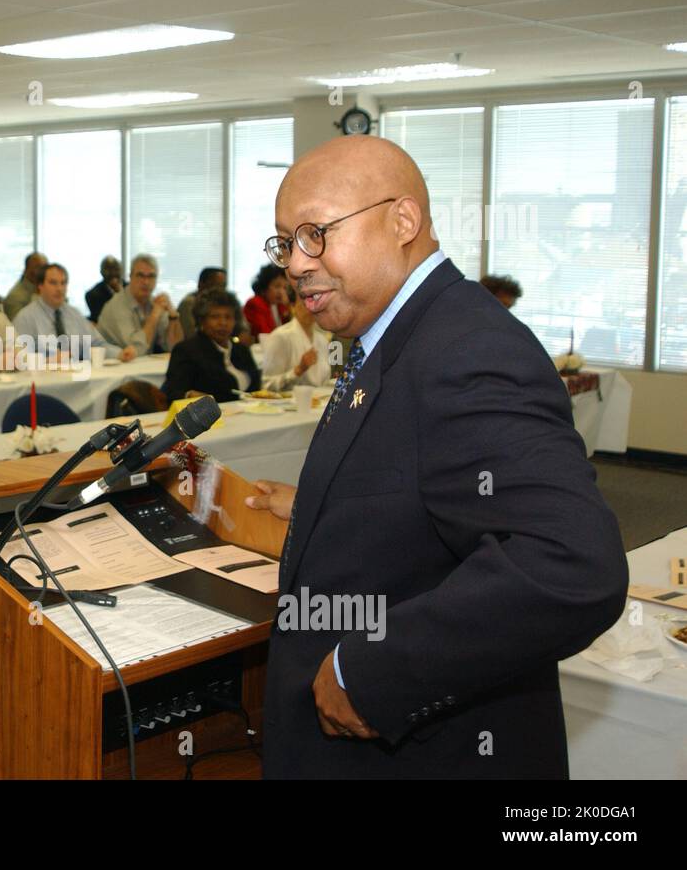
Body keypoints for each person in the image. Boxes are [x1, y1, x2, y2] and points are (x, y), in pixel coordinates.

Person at [243, 135, 626, 779]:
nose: (296, 263)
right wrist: (320, 511)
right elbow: (426, 492)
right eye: (285, 242)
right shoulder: (400, 333)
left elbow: (569, 566)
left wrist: (368, 672)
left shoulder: (467, 348)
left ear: (403, 222)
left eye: (316, 233)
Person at [11, 262, 134, 363]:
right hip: (42, 382)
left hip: (77, 377)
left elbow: (97, 344)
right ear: (40, 286)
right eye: (53, 283)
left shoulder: (74, 314)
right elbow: (18, 358)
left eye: (63, 283)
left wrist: (119, 353)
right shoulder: (25, 318)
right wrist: (48, 360)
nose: (59, 289)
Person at [161, 289, 259, 402]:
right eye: (215, 317)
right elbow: (174, 393)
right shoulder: (187, 350)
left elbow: (256, 388)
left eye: (228, 317)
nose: (223, 323)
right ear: (201, 320)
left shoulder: (241, 349)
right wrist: (189, 395)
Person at [96, 254, 181, 356]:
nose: (146, 282)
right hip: (108, 367)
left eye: (151, 276)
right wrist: (154, 316)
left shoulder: (154, 303)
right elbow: (135, 350)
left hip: (137, 367)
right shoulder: (117, 306)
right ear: (130, 277)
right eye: (140, 275)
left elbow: (175, 347)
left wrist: (173, 315)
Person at [259, 290, 333, 391]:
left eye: (315, 303)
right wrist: (298, 370)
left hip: (319, 403)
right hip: (288, 404)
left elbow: (324, 382)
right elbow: (266, 385)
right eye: (304, 303)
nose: (310, 308)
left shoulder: (322, 340)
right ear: (293, 306)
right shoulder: (281, 336)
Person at [178, 267, 251, 342]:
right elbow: (192, 334)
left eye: (223, 286)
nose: (220, 290)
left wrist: (236, 341)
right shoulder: (189, 303)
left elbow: (244, 329)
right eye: (216, 285)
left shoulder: (228, 301)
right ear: (201, 284)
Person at [244, 263, 292, 341]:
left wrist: (288, 307)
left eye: (284, 288)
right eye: (277, 286)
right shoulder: (255, 303)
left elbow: (291, 331)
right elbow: (264, 334)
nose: (281, 292)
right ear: (264, 286)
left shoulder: (280, 305)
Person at [2, 251, 47, 321]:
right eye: (38, 267)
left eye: (46, 268)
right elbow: (17, 327)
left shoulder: (49, 289)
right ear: (26, 270)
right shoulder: (15, 297)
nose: (44, 272)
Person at [85, 256, 121, 324]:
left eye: (116, 269)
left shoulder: (130, 288)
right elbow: (102, 321)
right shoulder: (93, 295)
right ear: (101, 272)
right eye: (109, 270)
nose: (113, 273)